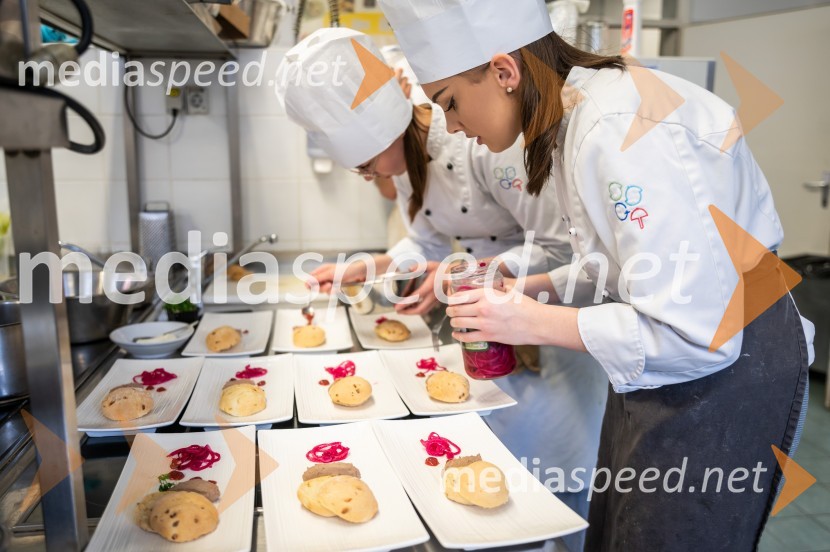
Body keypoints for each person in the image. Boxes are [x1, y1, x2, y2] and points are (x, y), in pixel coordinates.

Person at [377, 0, 815, 550]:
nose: (452, 126)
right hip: (664, 375)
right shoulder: (576, 116)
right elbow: (620, 264)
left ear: (504, 72)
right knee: (614, 535)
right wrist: (529, 287)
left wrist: (530, 321)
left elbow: (696, 334)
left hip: (726, 378)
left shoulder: (621, 126)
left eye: (451, 103)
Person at [276, 27, 608, 545]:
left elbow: (559, 251)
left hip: (548, 331)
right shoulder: (408, 157)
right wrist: (376, 264)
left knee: (555, 483)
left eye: (365, 164)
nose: (367, 177)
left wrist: (467, 273)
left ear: (386, 133)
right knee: (496, 490)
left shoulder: (481, 141)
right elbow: (425, 241)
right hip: (484, 327)